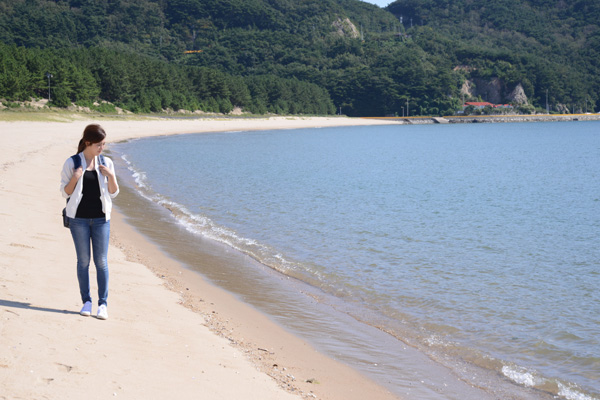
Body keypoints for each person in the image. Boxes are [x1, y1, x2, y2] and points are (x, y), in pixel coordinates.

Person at [60, 124, 119, 320]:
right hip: (79, 220)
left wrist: (110, 176)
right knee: (83, 261)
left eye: (103, 144)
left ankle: (103, 304)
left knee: (101, 262)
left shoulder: (107, 163)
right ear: (88, 143)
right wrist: (76, 177)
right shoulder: (72, 162)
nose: (102, 148)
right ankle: (86, 301)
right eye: (99, 144)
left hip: (102, 220)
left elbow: (114, 192)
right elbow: (65, 192)